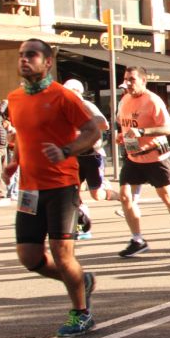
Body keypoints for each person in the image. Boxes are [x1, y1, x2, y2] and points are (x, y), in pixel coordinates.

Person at [4, 40, 104, 337]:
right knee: (30, 258)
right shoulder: (14, 98)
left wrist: (66, 150)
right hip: (29, 189)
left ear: (48, 62)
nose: (24, 60)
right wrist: (14, 162)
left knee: (62, 254)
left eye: (31, 55)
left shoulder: (62, 96)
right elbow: (23, 136)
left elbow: (92, 130)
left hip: (61, 185)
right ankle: (81, 281)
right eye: (21, 55)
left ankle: (81, 313)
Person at [115, 66, 170, 257]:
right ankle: (137, 240)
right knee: (125, 196)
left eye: (132, 79)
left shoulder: (152, 100)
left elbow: (168, 129)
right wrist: (122, 136)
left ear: (143, 81)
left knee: (167, 197)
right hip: (133, 157)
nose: (128, 83)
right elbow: (124, 124)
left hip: (155, 156)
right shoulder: (124, 100)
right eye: (126, 79)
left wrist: (142, 132)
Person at [61, 79, 116, 240]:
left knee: (96, 195)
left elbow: (104, 124)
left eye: (69, 91)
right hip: (75, 157)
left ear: (77, 92)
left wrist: (83, 125)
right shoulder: (64, 109)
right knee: (71, 192)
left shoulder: (86, 105)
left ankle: (120, 196)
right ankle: (83, 225)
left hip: (93, 155)